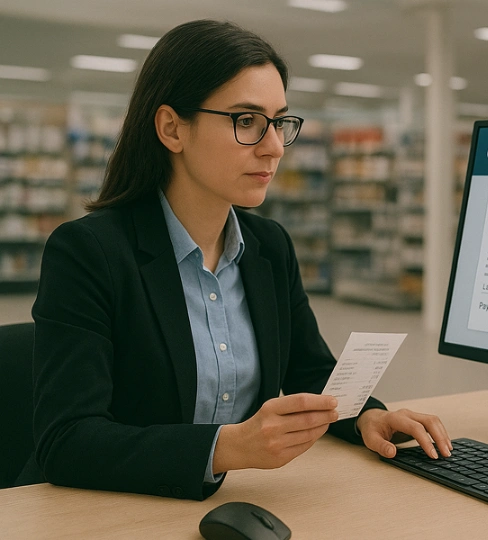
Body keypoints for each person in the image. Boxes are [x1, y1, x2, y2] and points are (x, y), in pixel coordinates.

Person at [25, 19, 451, 500]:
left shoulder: (269, 246)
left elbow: (310, 371)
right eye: (245, 121)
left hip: (242, 504)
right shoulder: (88, 253)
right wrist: (226, 448)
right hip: (117, 512)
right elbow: (67, 441)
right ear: (171, 128)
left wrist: (370, 415)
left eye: (278, 122)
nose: (273, 148)